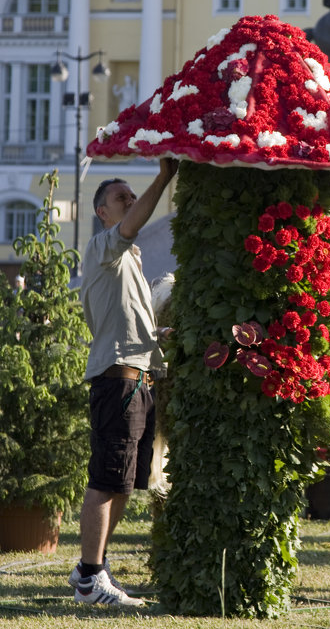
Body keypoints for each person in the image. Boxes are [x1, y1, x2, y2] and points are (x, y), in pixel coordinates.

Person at [69, 159, 178, 607]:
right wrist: (163, 177)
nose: (130, 202)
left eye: (132, 196)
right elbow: (132, 227)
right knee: (105, 479)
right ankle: (91, 579)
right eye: (121, 198)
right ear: (103, 213)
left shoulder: (127, 258)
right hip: (117, 381)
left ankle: (91, 569)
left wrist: (157, 338)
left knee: (124, 483)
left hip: (136, 377)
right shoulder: (104, 247)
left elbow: (128, 323)